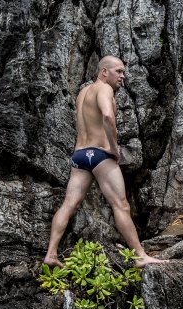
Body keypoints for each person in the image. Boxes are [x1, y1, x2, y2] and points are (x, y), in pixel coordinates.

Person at [43, 56, 167, 267]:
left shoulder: (83, 93)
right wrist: (113, 147)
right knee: (121, 205)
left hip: (80, 156)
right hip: (99, 155)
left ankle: (51, 254)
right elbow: (108, 117)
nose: (122, 76)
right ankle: (140, 255)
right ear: (104, 72)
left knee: (69, 204)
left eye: (123, 72)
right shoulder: (104, 89)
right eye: (118, 71)